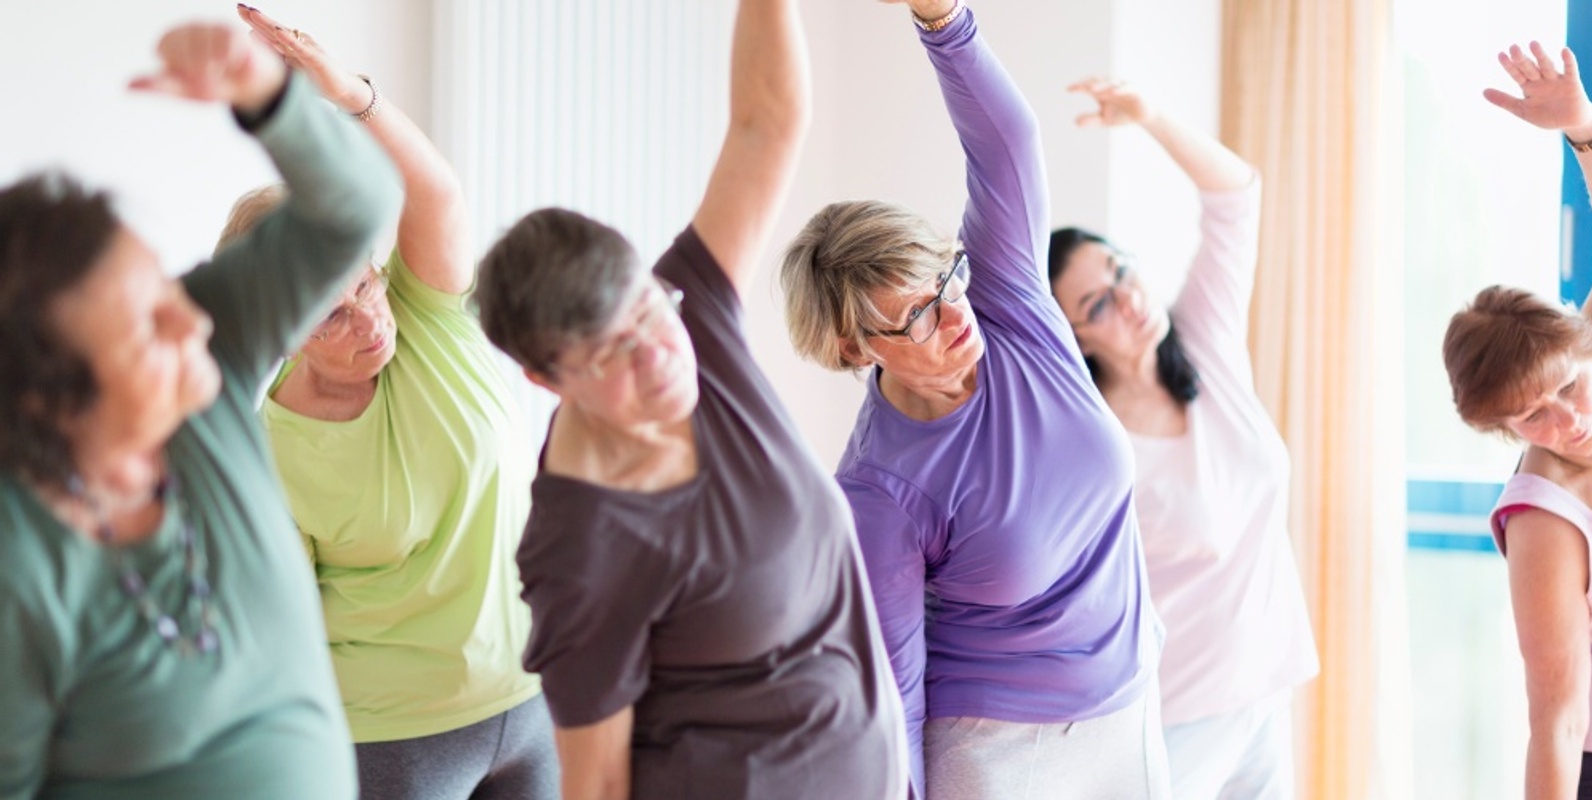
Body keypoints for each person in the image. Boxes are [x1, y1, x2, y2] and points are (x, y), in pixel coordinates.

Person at [472, 0, 909, 798]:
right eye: (611, 351)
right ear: (547, 381)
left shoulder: (694, 312)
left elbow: (767, 122)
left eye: (646, 308)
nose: (660, 356)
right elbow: (596, 787)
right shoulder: (581, 548)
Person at [0, 21, 400, 799]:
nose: (189, 319)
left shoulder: (212, 357)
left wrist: (268, 96)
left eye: (165, 287)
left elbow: (356, 207)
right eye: (147, 326)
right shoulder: (21, 568)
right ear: (53, 398)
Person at [778, 3, 1167, 798]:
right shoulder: (880, 490)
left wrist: (942, 19)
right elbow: (893, 687)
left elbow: (1009, 142)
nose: (954, 314)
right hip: (1001, 752)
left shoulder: (1009, 304)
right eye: (915, 315)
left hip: (1130, 706)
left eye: (943, 280)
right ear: (857, 349)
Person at [211, 8, 559, 799]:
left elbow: (435, 191)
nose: (369, 316)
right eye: (332, 312)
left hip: (535, 696)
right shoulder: (268, 453)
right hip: (391, 740)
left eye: (363, 281)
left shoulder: (429, 318)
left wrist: (347, 95)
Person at [1044, 79, 1318, 798]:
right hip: (1175, 718)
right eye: (1097, 302)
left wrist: (1149, 118)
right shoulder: (1090, 442)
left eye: (1121, 271)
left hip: (1265, 691)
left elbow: (1237, 196)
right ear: (1074, 333)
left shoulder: (1205, 343)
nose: (1129, 299)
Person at [1444, 40, 1592, 800]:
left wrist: (1585, 129)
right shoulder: (1545, 516)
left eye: (1568, 387)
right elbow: (1559, 718)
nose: (1566, 421)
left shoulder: (1590, 349)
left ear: (1583, 340)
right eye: (1530, 419)